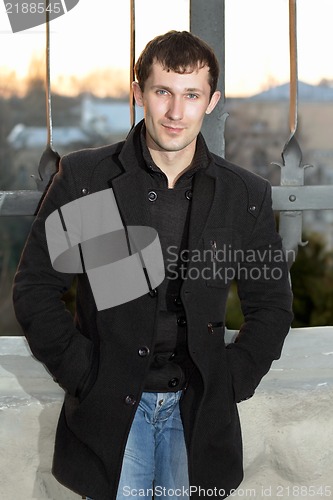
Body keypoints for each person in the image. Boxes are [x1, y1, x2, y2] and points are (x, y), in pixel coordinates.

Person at [13, 30, 293, 500]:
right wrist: (86, 374)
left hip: (199, 410)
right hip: (111, 407)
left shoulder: (242, 194)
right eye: (162, 92)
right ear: (138, 92)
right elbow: (36, 289)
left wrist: (231, 382)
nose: (175, 112)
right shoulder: (90, 180)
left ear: (212, 101)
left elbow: (272, 307)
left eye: (191, 95)